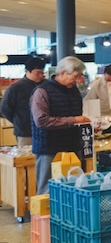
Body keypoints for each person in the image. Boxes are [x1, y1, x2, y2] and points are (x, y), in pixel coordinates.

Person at [31, 56, 90, 194]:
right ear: (63, 72)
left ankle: (70, 215)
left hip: (72, 146)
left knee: (74, 187)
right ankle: (47, 216)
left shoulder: (74, 91)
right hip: (49, 148)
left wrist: (87, 125)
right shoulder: (42, 91)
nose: (77, 80)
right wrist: (74, 120)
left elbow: (76, 116)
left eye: (80, 76)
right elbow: (42, 121)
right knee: (47, 189)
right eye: (75, 76)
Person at [0, 56, 47, 146]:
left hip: (46, 131)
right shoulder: (15, 88)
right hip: (25, 132)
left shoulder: (47, 85)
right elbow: (5, 109)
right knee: (26, 158)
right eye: (37, 73)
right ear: (27, 71)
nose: (41, 76)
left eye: (42, 73)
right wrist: (19, 121)